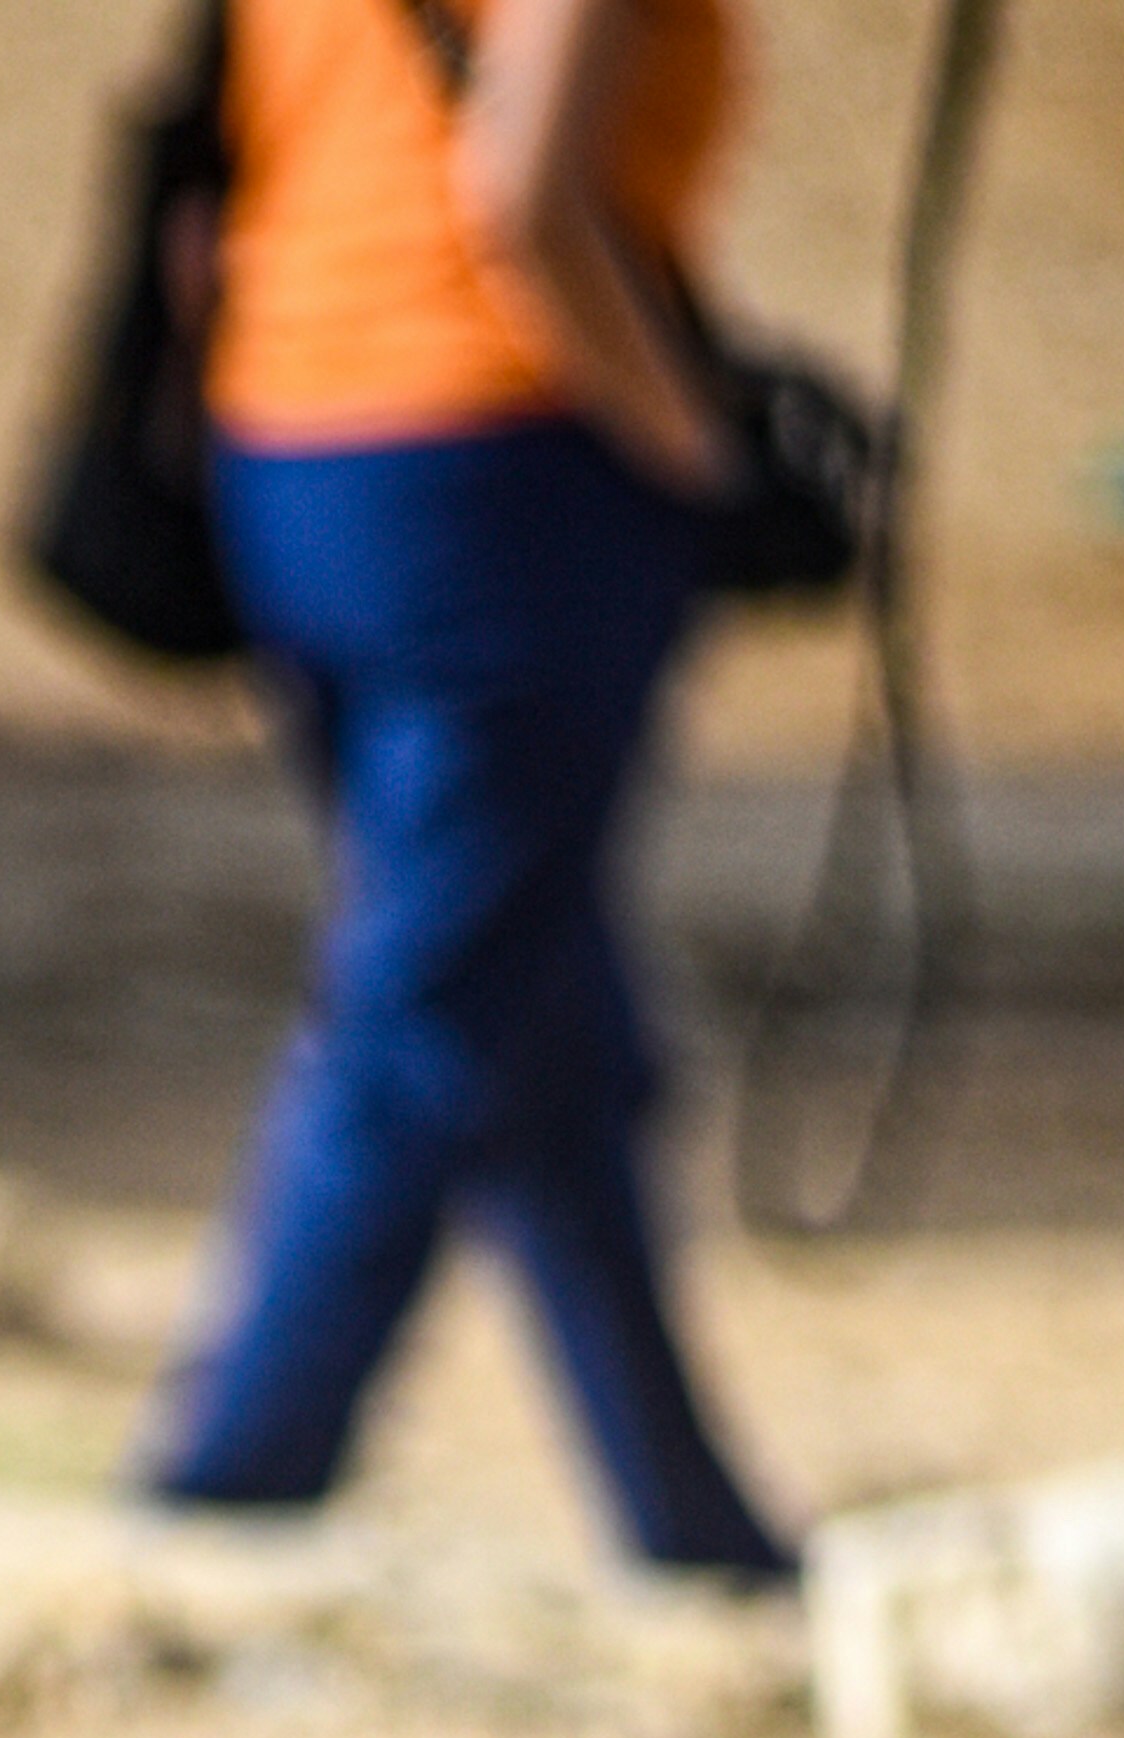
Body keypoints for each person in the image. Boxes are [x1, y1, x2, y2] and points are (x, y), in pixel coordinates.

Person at [132, 0, 796, 1580]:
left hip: (289, 442)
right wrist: (702, 453)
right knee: (435, 1001)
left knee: (542, 1015)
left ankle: (692, 1525)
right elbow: (526, 199)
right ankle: (225, 1487)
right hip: (494, 466)